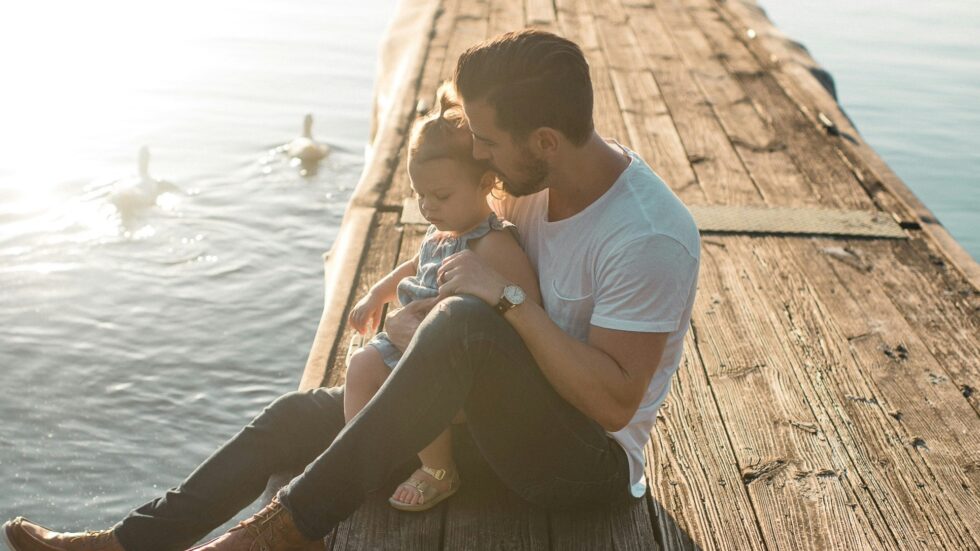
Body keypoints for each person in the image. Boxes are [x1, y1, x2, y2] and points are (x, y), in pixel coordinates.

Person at [2, 29, 700, 551]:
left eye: (488, 140)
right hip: (488, 419)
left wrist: (505, 302)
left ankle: (280, 533)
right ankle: (126, 543)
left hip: (581, 462)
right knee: (293, 417)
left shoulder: (647, 235)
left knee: (463, 324)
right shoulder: (529, 186)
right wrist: (397, 284)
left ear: (544, 140)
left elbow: (613, 401)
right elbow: (462, 247)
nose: (478, 154)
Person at [343, 83, 541, 512]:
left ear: (486, 181)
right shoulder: (442, 231)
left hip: (452, 361)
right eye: (420, 196)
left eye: (441, 196)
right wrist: (378, 293)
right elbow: (414, 266)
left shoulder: (493, 244)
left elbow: (527, 306)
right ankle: (362, 456)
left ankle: (439, 469)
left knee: (417, 388)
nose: (428, 207)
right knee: (360, 366)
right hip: (408, 337)